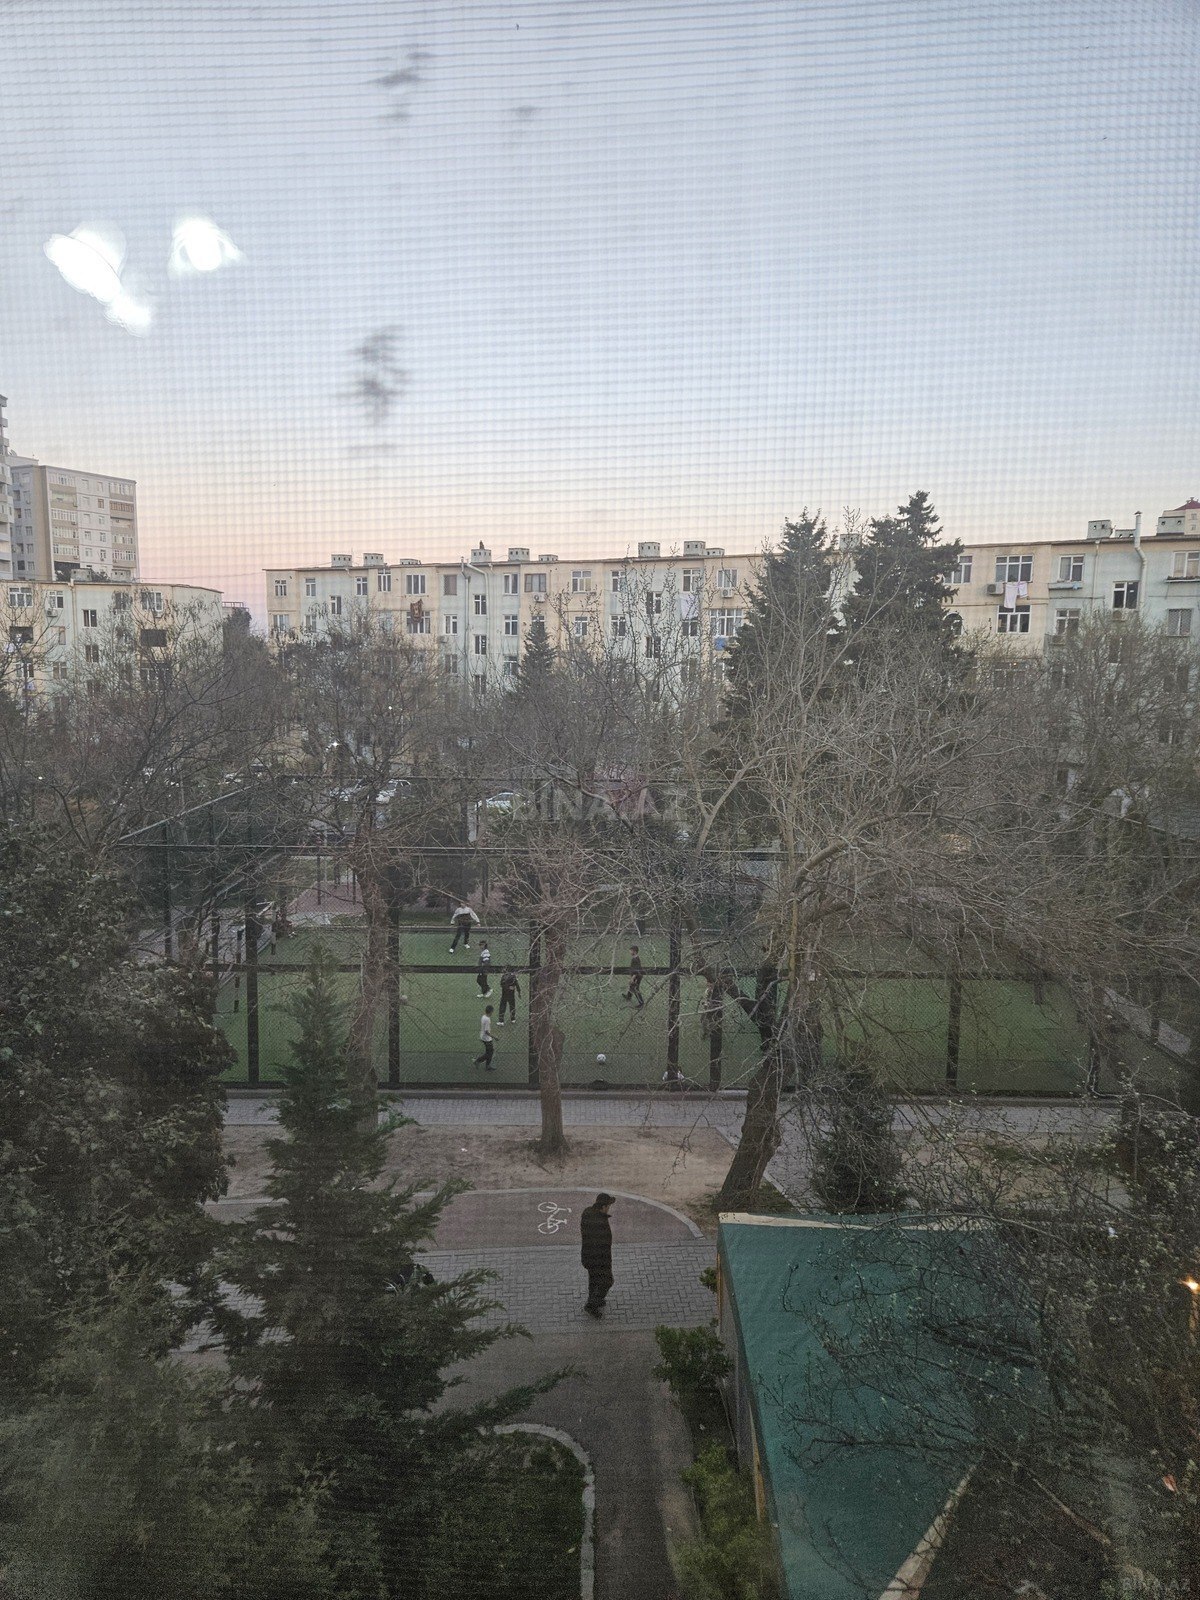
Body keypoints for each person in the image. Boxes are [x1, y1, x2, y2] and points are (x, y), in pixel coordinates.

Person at [580, 1192, 615, 1318]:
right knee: (607, 1281)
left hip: (588, 1256)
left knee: (594, 1281)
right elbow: (602, 1245)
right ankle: (592, 1304)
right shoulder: (599, 1222)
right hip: (599, 1260)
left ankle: (595, 1300)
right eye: (608, 1206)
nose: (609, 1208)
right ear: (603, 1207)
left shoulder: (587, 1213)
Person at [473, 1005, 495, 1070]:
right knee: (490, 1053)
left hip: (483, 1036)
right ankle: (477, 1061)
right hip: (486, 1038)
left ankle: (487, 1065)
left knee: (489, 1051)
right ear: (491, 1012)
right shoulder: (487, 1019)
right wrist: (494, 1037)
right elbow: (486, 1032)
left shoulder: (483, 1016)